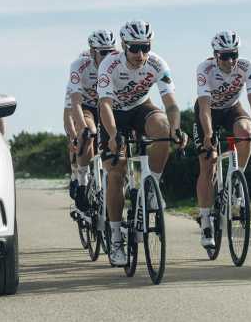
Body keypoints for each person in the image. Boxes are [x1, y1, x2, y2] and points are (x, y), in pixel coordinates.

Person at [97, 20, 186, 267]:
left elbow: (171, 104)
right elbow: (104, 105)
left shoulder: (157, 64)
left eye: (145, 47)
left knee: (163, 128)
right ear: (124, 46)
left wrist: (176, 128)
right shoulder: (109, 64)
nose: (140, 54)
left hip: (140, 108)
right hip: (114, 113)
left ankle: (151, 188)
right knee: (116, 173)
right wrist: (113, 134)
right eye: (134, 48)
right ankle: (116, 237)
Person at [193, 30, 251, 249]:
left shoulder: (246, 66)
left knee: (245, 131)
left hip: (232, 108)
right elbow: (204, 106)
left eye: (233, 55)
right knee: (208, 162)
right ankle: (205, 220)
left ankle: (236, 180)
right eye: (225, 56)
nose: (230, 60)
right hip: (208, 112)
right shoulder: (204, 69)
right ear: (216, 55)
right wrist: (208, 134)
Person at [65, 30, 117, 210]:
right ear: (92, 51)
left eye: (111, 51)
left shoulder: (117, 63)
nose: (108, 56)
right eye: (103, 52)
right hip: (86, 106)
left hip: (107, 105)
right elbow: (73, 106)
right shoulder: (79, 66)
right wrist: (79, 132)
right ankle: (81, 180)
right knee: (88, 132)